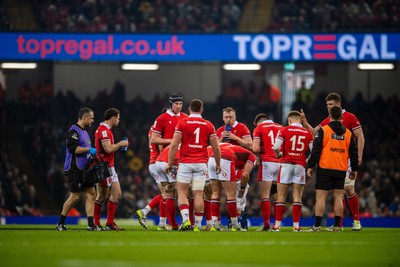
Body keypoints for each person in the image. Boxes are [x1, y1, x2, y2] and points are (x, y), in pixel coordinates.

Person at [301, 92, 365, 230]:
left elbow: (360, 136)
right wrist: (306, 124)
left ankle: (356, 221)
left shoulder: (350, 117)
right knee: (339, 192)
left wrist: (359, 155)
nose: (328, 107)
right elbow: (316, 133)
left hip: (345, 160)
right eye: (327, 105)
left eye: (330, 105)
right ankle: (339, 225)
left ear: (338, 104)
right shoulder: (327, 120)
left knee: (347, 189)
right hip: (332, 161)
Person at [165, 99, 221, 231]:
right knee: (198, 194)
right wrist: (218, 164)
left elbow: (173, 145)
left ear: (189, 109)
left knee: (182, 192)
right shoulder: (208, 124)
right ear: (202, 110)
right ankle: (198, 224)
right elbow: (216, 148)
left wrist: (169, 163)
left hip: (185, 163)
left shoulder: (182, 123)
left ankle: (185, 221)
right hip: (201, 163)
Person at [56, 107, 101, 231]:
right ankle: (60, 223)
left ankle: (91, 224)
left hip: (84, 169)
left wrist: (92, 157)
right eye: (91, 118)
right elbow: (73, 149)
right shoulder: (74, 131)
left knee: (91, 193)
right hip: (74, 168)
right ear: (85, 117)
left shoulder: (85, 132)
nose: (92, 121)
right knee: (75, 196)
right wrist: (88, 149)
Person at [271, 111, 314, 232]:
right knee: (297, 197)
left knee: (281, 197)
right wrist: (307, 160)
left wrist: (278, 154)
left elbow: (275, 147)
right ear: (300, 120)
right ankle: (296, 226)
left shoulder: (284, 130)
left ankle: (277, 226)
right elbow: (314, 151)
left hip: (286, 164)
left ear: (289, 121)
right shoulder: (307, 133)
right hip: (300, 165)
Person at [150, 94, 188, 224]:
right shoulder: (162, 118)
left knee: (170, 193)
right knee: (177, 192)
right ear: (170, 104)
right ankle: (182, 222)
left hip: (180, 157)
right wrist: (173, 141)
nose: (178, 106)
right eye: (176, 104)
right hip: (168, 158)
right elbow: (154, 139)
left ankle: (169, 223)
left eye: (180, 104)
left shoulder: (185, 118)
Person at [93, 108, 129, 231]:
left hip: (110, 167)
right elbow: (108, 149)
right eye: (118, 118)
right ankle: (96, 223)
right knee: (101, 196)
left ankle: (109, 223)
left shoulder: (107, 130)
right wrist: (120, 144)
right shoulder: (103, 131)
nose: (119, 120)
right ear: (113, 118)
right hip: (103, 167)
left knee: (117, 194)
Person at [208, 143, 256, 231]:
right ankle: (235, 225)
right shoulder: (253, 157)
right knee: (231, 195)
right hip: (225, 159)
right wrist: (242, 188)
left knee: (215, 193)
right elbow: (245, 175)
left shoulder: (234, 148)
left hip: (212, 159)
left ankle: (215, 225)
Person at [252, 113, 283, 231]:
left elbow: (255, 148)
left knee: (265, 196)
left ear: (259, 122)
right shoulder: (281, 127)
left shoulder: (259, 128)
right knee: (277, 196)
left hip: (267, 163)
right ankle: (277, 225)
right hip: (280, 163)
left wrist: (262, 149)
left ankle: (266, 225)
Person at [135, 125, 168, 230]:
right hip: (157, 163)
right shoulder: (159, 131)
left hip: (154, 163)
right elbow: (161, 148)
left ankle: (161, 223)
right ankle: (145, 212)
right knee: (166, 195)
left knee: (166, 195)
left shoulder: (153, 130)